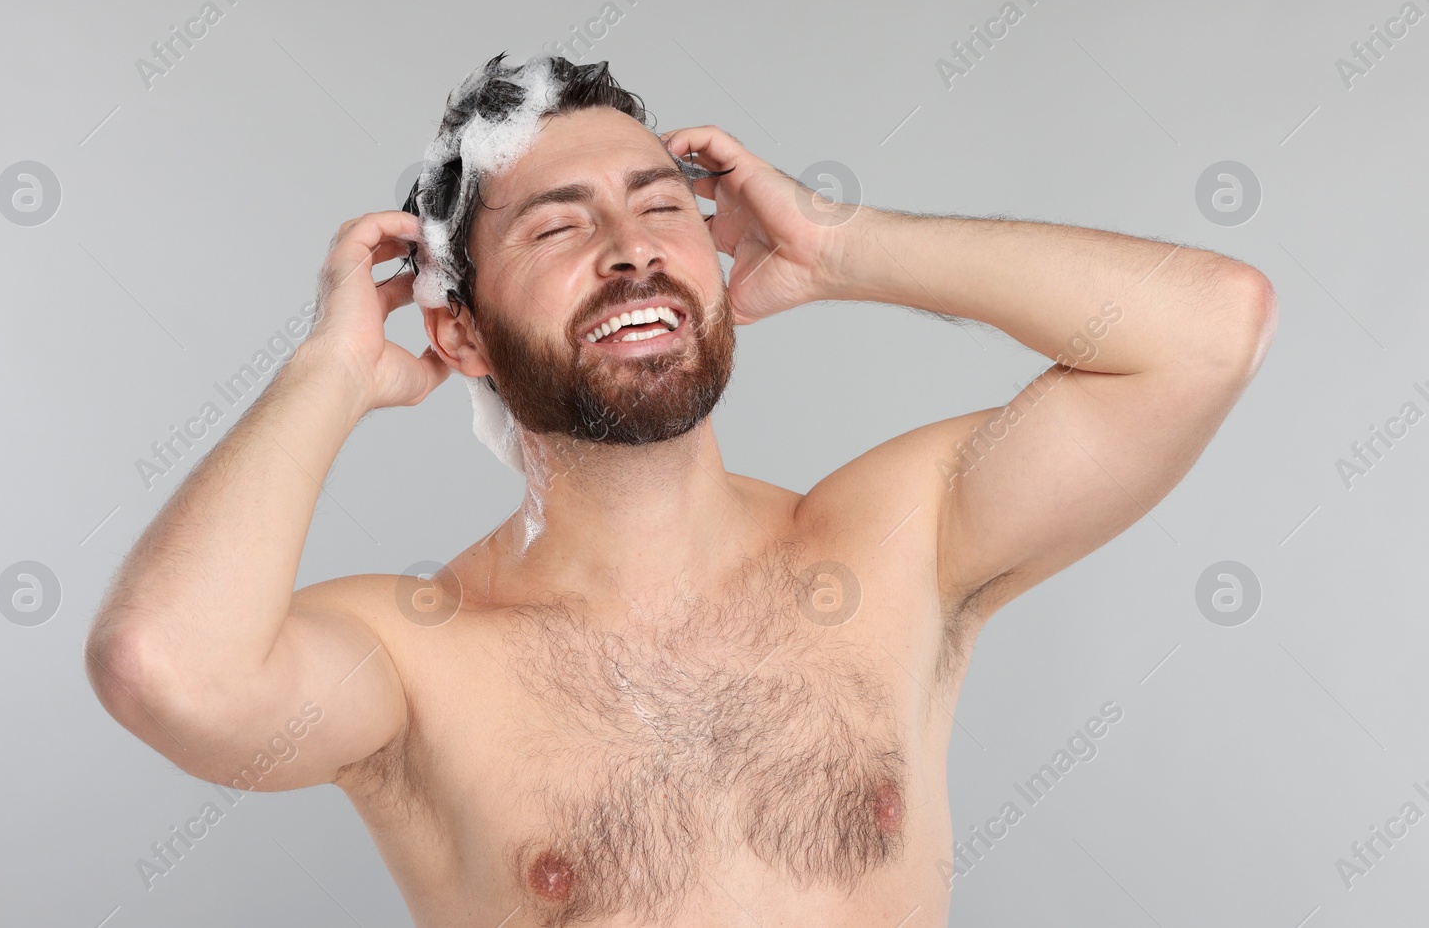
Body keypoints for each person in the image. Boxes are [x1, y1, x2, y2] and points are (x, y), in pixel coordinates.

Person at [85, 53, 1277, 926]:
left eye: (662, 205)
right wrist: (330, 370)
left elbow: (1207, 327)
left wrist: (840, 246)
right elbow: (165, 667)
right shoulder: (417, 657)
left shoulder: (893, 543)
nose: (632, 247)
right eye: (559, 227)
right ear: (463, 335)